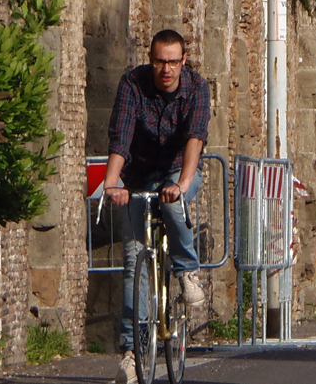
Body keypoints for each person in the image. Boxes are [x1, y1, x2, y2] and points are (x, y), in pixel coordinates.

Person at [104, 29, 210, 384]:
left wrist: (181, 184)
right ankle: (133, 353)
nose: (166, 69)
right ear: (151, 60)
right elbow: (121, 136)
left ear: (183, 62)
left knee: (174, 204)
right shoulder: (133, 84)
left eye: (173, 62)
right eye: (159, 61)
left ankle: (186, 271)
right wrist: (112, 182)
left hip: (180, 167)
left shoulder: (197, 88)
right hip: (139, 172)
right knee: (134, 260)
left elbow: (195, 137)